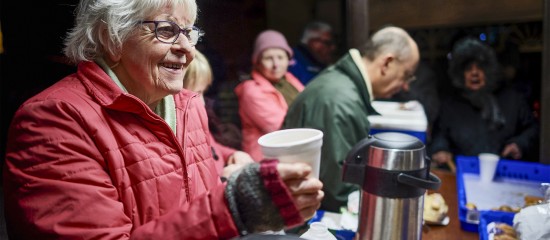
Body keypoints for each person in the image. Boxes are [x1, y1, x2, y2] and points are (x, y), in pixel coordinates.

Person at [2, 0, 324, 239]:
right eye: (166, 30)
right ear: (111, 38)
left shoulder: (185, 105)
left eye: (189, 32)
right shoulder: (54, 122)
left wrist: (237, 168)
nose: (187, 48)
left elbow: (183, 180)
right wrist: (235, 205)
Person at [284, 26, 420, 212]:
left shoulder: (343, 85)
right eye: (406, 75)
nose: (405, 86)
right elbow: (337, 189)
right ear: (387, 63)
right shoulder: (340, 99)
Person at [430, 38, 539, 165]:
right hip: (464, 171)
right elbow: (440, 134)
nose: (474, 73)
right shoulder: (450, 105)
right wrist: (440, 149)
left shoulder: (512, 98)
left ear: (489, 71)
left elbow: (532, 128)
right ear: (460, 74)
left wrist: (519, 144)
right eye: (468, 69)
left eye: (480, 67)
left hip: (505, 171)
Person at [235, 30, 305, 161]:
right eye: (268, 58)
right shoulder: (251, 90)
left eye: (280, 57)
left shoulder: (289, 80)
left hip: (290, 153)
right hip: (266, 160)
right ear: (258, 62)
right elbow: (281, 128)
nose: (276, 65)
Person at [183, 50, 254, 178]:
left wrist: (233, 154)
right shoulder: (180, 130)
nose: (203, 101)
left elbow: (212, 147)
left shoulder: (195, 118)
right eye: (197, 94)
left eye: (204, 92)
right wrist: (223, 178)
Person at [288, 21, 336, 85]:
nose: (333, 48)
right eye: (327, 43)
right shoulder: (293, 62)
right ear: (313, 43)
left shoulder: (318, 61)